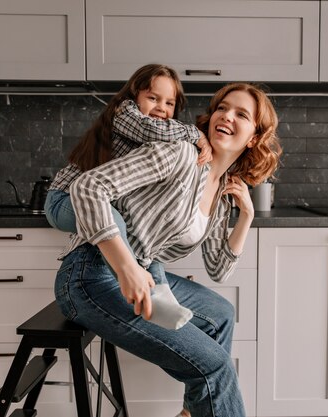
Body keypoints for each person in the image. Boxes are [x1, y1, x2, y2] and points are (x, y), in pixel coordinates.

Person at [55, 82, 282, 417]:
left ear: (253, 137)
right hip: (90, 276)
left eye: (241, 114)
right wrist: (127, 268)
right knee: (215, 366)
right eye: (222, 107)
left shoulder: (221, 190)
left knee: (220, 313)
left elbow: (220, 268)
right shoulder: (180, 153)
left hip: (137, 272)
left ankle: (193, 411)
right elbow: (87, 187)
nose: (227, 116)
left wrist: (245, 216)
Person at [45, 64, 212, 330]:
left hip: (94, 198)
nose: (162, 108)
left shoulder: (165, 134)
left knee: (145, 239)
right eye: (153, 98)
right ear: (133, 96)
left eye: (169, 103)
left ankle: (161, 293)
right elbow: (148, 130)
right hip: (64, 199)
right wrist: (195, 134)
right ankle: (132, 280)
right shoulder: (125, 113)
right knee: (114, 220)